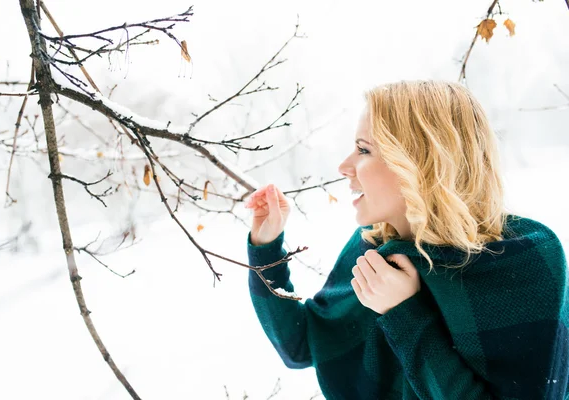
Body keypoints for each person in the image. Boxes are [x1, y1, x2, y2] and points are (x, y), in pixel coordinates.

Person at [244, 80, 569, 400]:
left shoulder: (525, 257)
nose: (345, 166)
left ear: (420, 162)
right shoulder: (375, 248)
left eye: (363, 150)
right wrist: (266, 245)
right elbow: (303, 344)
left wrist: (403, 312)